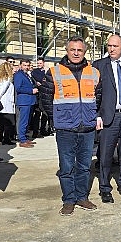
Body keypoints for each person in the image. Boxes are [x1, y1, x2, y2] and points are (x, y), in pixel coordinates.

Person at [39, 37, 100, 216]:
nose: (76, 53)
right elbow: (45, 98)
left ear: (84, 52)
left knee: (84, 166)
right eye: (72, 50)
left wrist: (92, 117)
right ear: (67, 51)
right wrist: (55, 118)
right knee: (66, 167)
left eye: (79, 50)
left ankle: (81, 197)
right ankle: (68, 199)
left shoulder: (94, 72)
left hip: (87, 127)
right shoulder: (54, 72)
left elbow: (99, 97)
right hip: (65, 128)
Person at [92, 35, 121, 203]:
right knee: (105, 156)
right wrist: (97, 115)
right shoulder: (98, 65)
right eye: (109, 46)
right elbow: (94, 94)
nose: (111, 49)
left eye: (115, 46)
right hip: (108, 117)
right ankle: (104, 188)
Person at [14, 59, 38, 148]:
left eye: (28, 65)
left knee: (27, 121)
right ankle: (22, 139)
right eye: (24, 65)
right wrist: (31, 91)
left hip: (30, 101)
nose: (26, 67)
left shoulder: (27, 75)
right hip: (24, 101)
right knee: (23, 121)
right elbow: (18, 88)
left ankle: (25, 137)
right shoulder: (19, 75)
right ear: (20, 65)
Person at [0, 62, 16, 145]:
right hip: (6, 105)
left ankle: (1, 138)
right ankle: (6, 139)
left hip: (3, 105)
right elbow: (1, 91)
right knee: (8, 123)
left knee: (2, 124)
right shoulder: (7, 80)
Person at [30, 57, 51, 138]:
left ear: (43, 63)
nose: (39, 65)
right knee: (37, 114)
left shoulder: (46, 71)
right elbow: (40, 81)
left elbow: (47, 81)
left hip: (45, 95)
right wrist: (43, 81)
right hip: (38, 96)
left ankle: (43, 130)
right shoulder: (35, 72)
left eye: (40, 63)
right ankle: (35, 131)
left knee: (45, 114)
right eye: (38, 63)